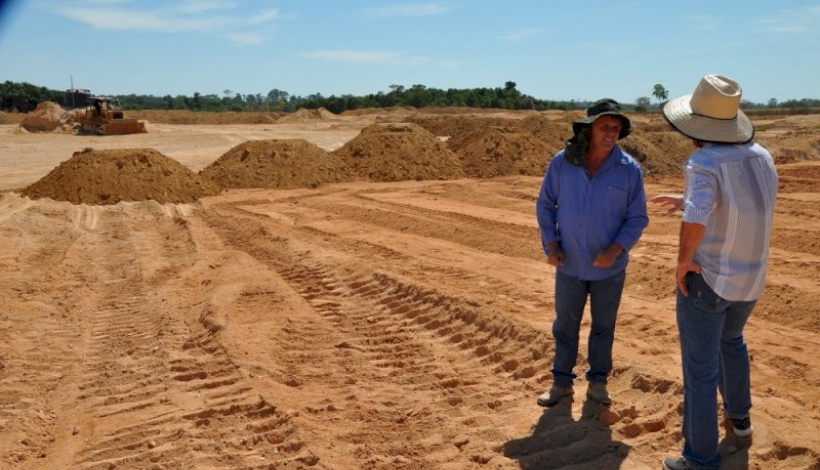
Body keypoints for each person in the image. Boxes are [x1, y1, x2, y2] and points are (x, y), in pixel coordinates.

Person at [652, 75, 778, 470]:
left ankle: (700, 459)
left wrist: (683, 260)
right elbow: (739, 204)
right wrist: (687, 197)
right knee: (732, 341)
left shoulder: (703, 161)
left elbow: (699, 214)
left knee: (700, 371)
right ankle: (740, 420)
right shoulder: (762, 155)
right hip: (750, 281)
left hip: (710, 281)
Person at [535, 98, 649, 407]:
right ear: (589, 128)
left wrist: (614, 251)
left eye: (616, 128)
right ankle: (561, 384)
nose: (611, 133)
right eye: (604, 127)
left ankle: (598, 384)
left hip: (608, 270)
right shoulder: (563, 163)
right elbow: (546, 204)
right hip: (569, 264)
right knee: (565, 327)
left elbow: (637, 217)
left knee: (603, 328)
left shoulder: (629, 171)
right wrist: (552, 244)